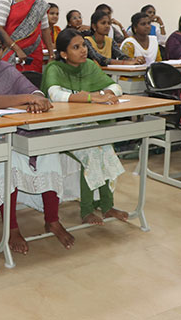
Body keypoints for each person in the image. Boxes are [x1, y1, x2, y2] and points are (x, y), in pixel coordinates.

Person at [0, 24, 76, 254]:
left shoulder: (6, 69)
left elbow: (33, 90)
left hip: (11, 133)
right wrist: (27, 99)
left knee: (48, 151)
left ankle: (52, 220)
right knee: (7, 160)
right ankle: (12, 228)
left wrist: (38, 99)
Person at [41, 28, 128, 225]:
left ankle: (107, 206)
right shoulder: (54, 68)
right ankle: (87, 210)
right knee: (92, 153)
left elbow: (116, 87)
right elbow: (55, 95)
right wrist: (91, 97)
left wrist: (105, 93)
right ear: (64, 54)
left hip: (83, 123)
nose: (83, 50)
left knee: (105, 148)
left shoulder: (88, 65)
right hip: (59, 126)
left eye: (83, 45)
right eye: (76, 47)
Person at [0, 0, 55, 73]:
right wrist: (17, 49)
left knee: (33, 80)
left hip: (34, 52)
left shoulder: (38, 2)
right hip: (11, 51)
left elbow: (45, 29)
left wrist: (51, 54)